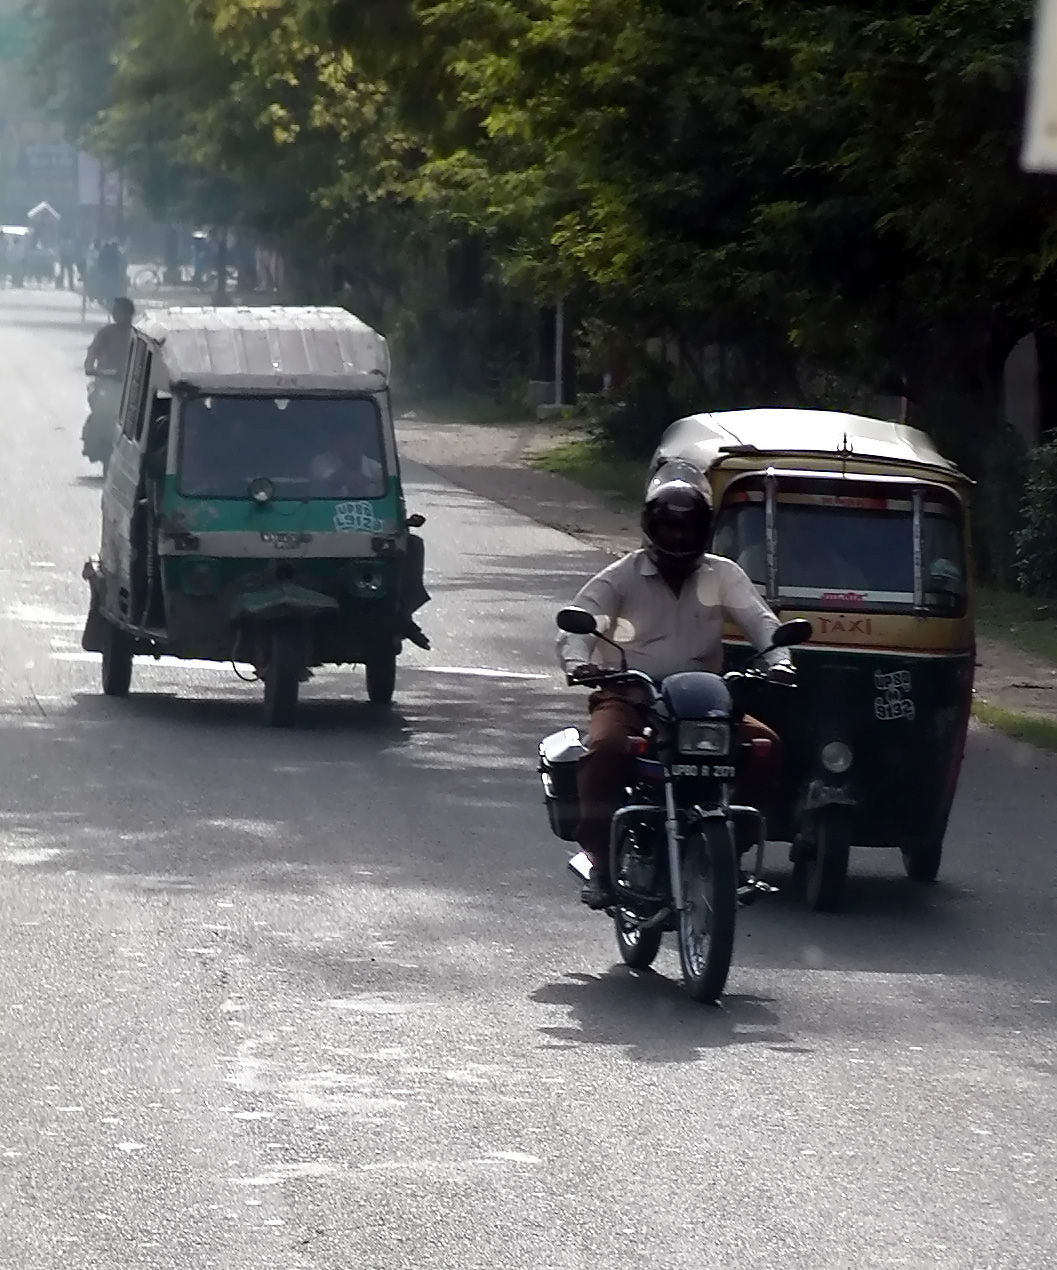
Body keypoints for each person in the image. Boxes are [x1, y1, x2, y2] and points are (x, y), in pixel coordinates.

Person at [557, 477, 794, 909]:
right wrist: (581, 665)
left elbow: (761, 621)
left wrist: (778, 660)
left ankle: (728, 853)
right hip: (630, 694)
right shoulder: (623, 575)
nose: (679, 536)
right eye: (670, 527)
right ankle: (601, 861)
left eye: (688, 527)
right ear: (652, 527)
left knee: (766, 746)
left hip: (704, 701)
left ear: (705, 529)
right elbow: (580, 621)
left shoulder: (723, 574)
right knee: (605, 749)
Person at [84, 297, 135, 376]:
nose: (114, 314)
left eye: (118, 311)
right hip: (106, 379)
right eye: (114, 311)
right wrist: (89, 368)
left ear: (129, 314)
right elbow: (92, 351)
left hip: (128, 382)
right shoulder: (105, 333)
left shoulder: (136, 337)